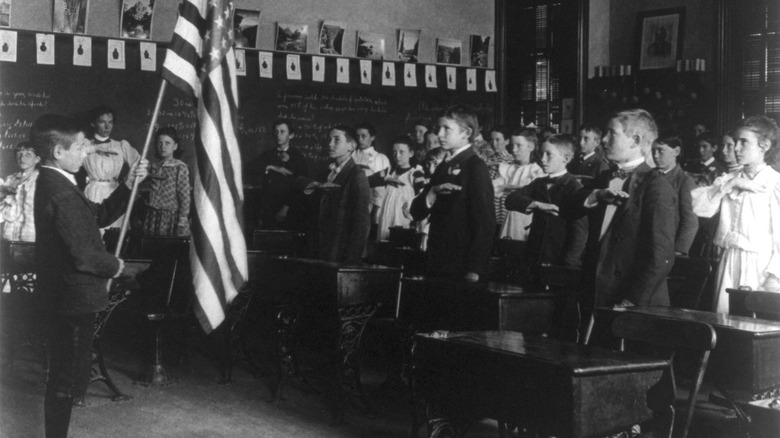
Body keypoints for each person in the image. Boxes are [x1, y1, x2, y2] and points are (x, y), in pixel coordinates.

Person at [32, 114, 148, 438]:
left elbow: (97, 215)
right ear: (58, 151)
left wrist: (126, 185)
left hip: (66, 299)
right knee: (65, 381)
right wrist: (119, 267)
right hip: (69, 302)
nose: (87, 152)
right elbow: (83, 255)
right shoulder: (61, 192)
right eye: (81, 145)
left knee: (66, 379)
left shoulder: (59, 183)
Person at [562, 109, 677, 336]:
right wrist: (596, 195)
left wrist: (632, 300)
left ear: (635, 141)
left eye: (611, 134)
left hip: (631, 299)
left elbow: (661, 256)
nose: (603, 140)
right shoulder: (605, 178)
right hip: (597, 289)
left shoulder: (656, 186)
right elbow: (567, 208)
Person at [692, 116, 780, 313]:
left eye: (743, 142)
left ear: (764, 145)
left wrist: (775, 277)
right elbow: (698, 207)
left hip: (762, 266)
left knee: (756, 324)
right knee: (724, 318)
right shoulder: (728, 180)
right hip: (729, 260)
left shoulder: (775, 183)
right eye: (735, 142)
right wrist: (729, 185)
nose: (736, 149)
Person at [410, 104, 495, 282]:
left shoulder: (476, 168)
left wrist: (475, 268)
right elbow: (417, 212)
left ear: (466, 133)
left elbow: (484, 223)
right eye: (439, 128)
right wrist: (432, 192)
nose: (439, 134)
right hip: (436, 260)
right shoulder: (444, 166)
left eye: (446, 129)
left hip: (461, 265)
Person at [505, 134, 587, 273]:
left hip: (559, 258)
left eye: (549, 154)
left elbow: (579, 234)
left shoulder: (574, 187)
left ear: (565, 159)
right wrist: (536, 204)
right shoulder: (539, 183)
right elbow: (511, 200)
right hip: (534, 255)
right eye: (541, 154)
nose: (542, 159)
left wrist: (568, 265)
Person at [303, 125, 370, 263]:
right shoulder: (328, 172)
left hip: (341, 253)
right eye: (329, 139)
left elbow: (361, 224)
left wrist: (351, 261)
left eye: (337, 140)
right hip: (321, 249)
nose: (330, 144)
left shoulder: (357, 175)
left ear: (351, 146)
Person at [82, 105, 140, 232]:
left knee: (115, 235)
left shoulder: (120, 146)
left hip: (116, 193)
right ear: (93, 123)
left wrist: (132, 178)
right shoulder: (85, 145)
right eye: (102, 122)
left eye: (110, 122)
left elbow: (140, 165)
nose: (107, 127)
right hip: (94, 193)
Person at [246, 119, 308, 230]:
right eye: (276, 132)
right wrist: (271, 167)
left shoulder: (298, 157)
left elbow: (301, 186)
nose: (278, 135)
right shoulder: (268, 154)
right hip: (268, 207)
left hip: (289, 208)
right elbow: (249, 169)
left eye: (282, 132)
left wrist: (286, 207)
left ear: (291, 135)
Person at [651, 130, 698, 255]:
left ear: (676, 152)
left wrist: (678, 251)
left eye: (660, 151)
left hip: (669, 250)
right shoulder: (647, 177)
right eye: (653, 151)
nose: (655, 156)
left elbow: (691, 222)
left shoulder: (685, 182)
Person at [142, 127, 191, 237]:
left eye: (167, 143)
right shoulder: (154, 166)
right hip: (153, 216)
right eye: (160, 143)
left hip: (170, 217)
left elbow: (185, 196)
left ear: (175, 146)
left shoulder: (180, 167)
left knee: (167, 248)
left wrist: (182, 220)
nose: (163, 146)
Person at [497, 128, 545, 240]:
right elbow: (496, 186)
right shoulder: (508, 168)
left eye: (519, 145)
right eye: (512, 145)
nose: (514, 149)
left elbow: (533, 192)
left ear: (531, 147)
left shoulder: (536, 171)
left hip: (526, 217)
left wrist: (507, 187)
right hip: (509, 216)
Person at [374, 137, 424, 241]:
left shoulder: (415, 173)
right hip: (386, 215)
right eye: (394, 152)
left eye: (402, 152)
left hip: (403, 219)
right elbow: (368, 180)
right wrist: (386, 179)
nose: (397, 156)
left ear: (411, 153)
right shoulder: (389, 171)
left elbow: (423, 195)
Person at [352, 122, 390, 238]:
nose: (360, 139)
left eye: (364, 136)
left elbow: (380, 189)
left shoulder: (380, 158)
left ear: (372, 137)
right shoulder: (350, 155)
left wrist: (375, 211)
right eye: (357, 136)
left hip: (370, 204)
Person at [1, 142, 40, 242]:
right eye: (19, 154)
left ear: (37, 159)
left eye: (28, 155)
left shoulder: (39, 179)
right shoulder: (11, 179)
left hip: (29, 232)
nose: (22, 158)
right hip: (10, 230)